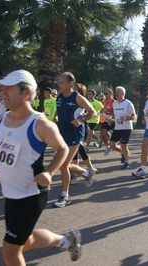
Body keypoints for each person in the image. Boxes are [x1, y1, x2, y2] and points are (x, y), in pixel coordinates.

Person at [0, 69, 81, 265]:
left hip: (30, 194)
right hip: (10, 194)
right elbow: (5, 149)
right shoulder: (3, 119)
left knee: (10, 251)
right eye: (3, 89)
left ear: (26, 93)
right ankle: (66, 241)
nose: (3, 93)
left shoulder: (40, 124)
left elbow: (62, 150)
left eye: (9, 89)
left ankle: (65, 241)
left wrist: (48, 172)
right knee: (24, 241)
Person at [54, 72, 96, 208]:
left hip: (75, 135)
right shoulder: (59, 97)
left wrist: (80, 119)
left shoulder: (78, 98)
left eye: (62, 83)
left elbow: (93, 113)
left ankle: (65, 196)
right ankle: (86, 172)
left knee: (63, 165)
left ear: (71, 84)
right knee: (62, 165)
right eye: (58, 82)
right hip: (63, 134)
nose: (59, 85)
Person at [107, 86, 137, 169]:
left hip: (126, 128)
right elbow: (115, 115)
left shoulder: (128, 103)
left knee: (124, 146)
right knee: (112, 145)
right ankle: (123, 153)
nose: (116, 93)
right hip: (117, 127)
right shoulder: (114, 104)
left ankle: (127, 162)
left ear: (123, 94)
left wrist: (126, 118)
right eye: (116, 91)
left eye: (119, 92)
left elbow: (134, 116)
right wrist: (112, 120)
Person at [99, 88, 115, 155]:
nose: (105, 95)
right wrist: (102, 112)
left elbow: (116, 113)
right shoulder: (104, 101)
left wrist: (108, 112)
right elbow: (102, 110)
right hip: (106, 120)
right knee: (102, 135)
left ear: (111, 94)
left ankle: (123, 151)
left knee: (119, 138)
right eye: (104, 93)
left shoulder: (114, 102)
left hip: (113, 121)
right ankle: (108, 146)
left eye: (107, 94)